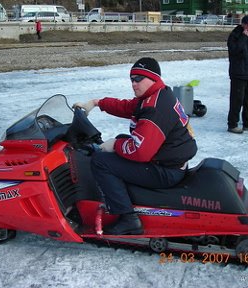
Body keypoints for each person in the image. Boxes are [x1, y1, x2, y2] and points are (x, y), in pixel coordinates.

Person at [74, 57, 197, 235]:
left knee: (101, 161)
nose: (134, 83)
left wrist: (116, 145)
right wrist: (96, 103)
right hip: (171, 161)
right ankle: (128, 195)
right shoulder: (159, 94)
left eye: (139, 79)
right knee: (122, 139)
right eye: (132, 79)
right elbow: (128, 107)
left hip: (166, 171)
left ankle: (128, 218)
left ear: (153, 78)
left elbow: (140, 152)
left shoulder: (154, 109)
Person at [227, 15, 248, 134]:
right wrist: (244, 38)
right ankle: (232, 124)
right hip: (238, 73)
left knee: (247, 100)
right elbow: (234, 50)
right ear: (244, 24)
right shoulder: (235, 35)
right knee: (236, 100)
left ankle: (246, 123)